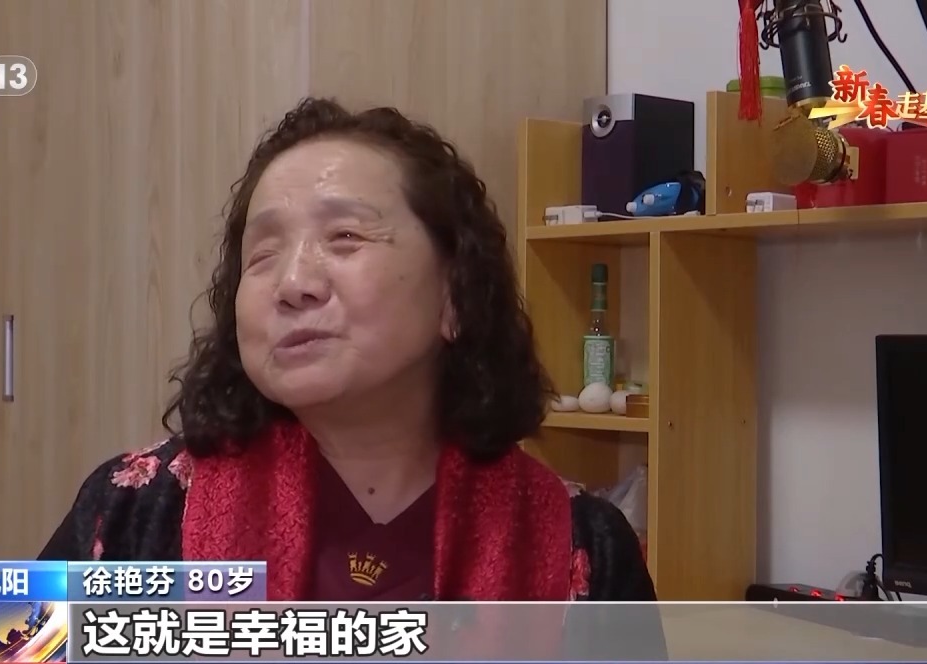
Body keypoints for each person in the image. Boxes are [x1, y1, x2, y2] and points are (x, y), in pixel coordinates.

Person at [40, 97, 657, 605]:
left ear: (455, 296)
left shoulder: (584, 545)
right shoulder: (134, 510)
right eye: (262, 255)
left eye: (345, 236)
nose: (292, 283)